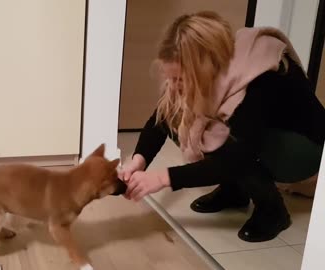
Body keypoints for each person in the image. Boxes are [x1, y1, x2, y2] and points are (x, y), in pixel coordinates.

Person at [118, 11, 325, 243]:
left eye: (180, 79)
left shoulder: (257, 77)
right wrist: (139, 159)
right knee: (182, 114)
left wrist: (163, 178)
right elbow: (163, 117)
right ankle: (235, 191)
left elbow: (238, 157)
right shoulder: (210, 72)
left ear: (206, 68)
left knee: (231, 145)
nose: (174, 86)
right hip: (260, 140)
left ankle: (273, 211)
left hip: (305, 148)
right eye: (171, 78)